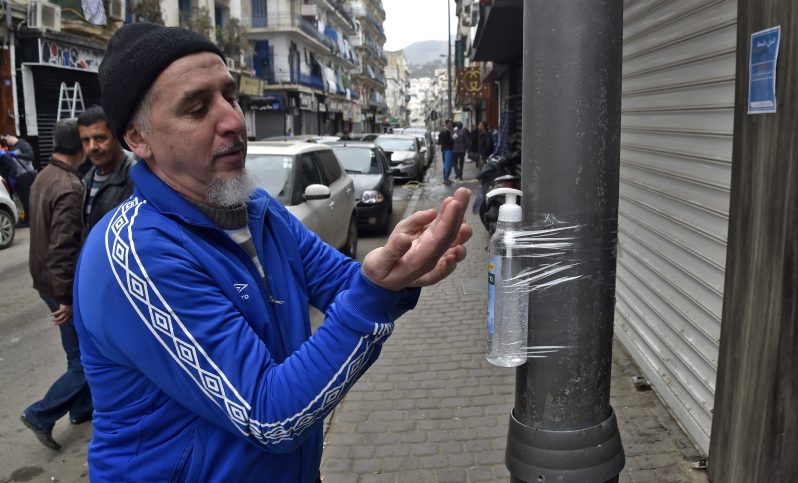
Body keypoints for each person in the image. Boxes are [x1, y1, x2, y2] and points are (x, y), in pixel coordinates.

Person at [74, 23, 472, 482]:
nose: (233, 121)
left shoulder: (258, 210)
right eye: (197, 108)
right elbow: (269, 415)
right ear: (137, 139)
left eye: (230, 97)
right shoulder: (136, 254)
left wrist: (399, 270)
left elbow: (344, 283)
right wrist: (374, 294)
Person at [20, 118, 92, 451]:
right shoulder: (69, 185)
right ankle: (40, 414)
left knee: (76, 353)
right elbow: (63, 247)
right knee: (84, 363)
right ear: (81, 147)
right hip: (58, 286)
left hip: (44, 281)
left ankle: (80, 410)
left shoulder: (44, 175)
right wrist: (66, 298)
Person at [77, 105, 137, 238]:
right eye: (85, 140)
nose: (92, 147)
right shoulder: (86, 180)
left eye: (99, 138)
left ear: (116, 137)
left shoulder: (136, 180)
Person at [1, 132, 36, 226]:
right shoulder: (11, 148)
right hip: (18, 177)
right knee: (24, 199)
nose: (5, 142)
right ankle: (28, 219)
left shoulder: (22, 144)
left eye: (5, 139)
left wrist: (16, 155)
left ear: (9, 136)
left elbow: (30, 156)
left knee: (27, 199)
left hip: (26, 175)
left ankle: (28, 221)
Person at [437, 119, 454, 185]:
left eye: (451, 123)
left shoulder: (449, 131)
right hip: (447, 150)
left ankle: (447, 178)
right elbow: (444, 142)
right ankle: (445, 179)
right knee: (447, 165)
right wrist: (452, 139)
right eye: (450, 123)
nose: (451, 125)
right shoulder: (444, 132)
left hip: (449, 149)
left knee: (449, 165)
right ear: (446, 124)